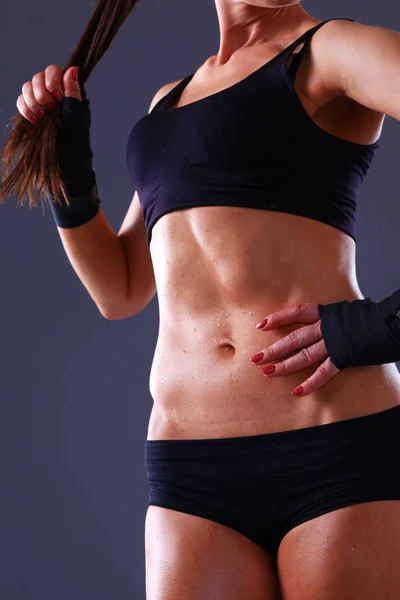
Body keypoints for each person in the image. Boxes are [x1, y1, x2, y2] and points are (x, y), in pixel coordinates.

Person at [3, 0, 400, 597]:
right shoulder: (170, 100)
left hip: (335, 448)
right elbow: (123, 288)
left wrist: (385, 325)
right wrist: (70, 177)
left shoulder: (327, 51)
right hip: (191, 473)